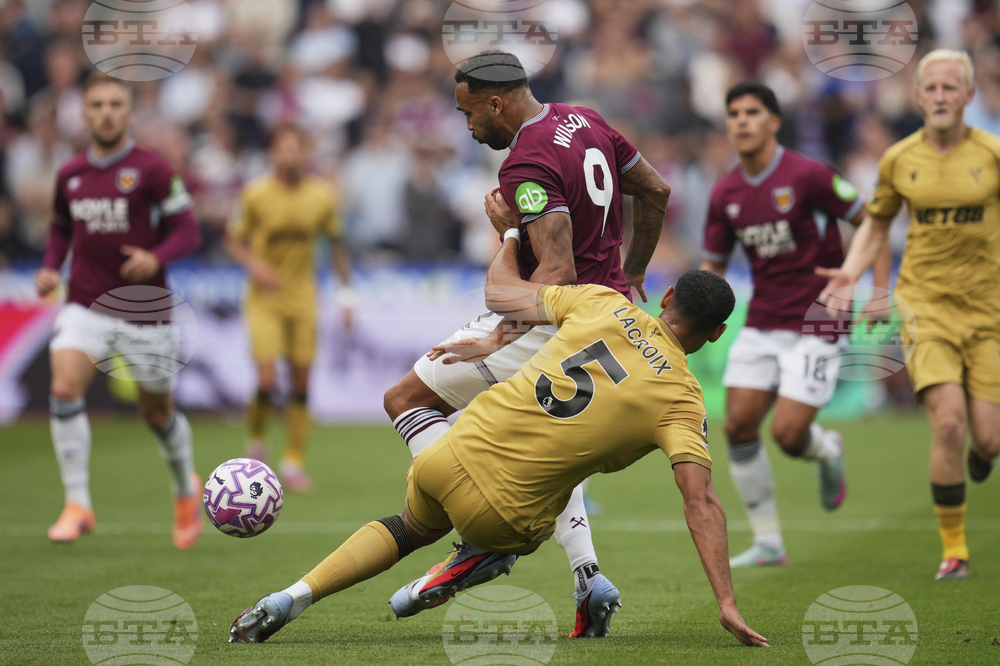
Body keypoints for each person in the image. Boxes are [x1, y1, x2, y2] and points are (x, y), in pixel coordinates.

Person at [228, 228, 769, 648]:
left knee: (411, 526)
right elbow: (700, 501)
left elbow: (504, 294)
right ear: (717, 333)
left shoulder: (602, 302)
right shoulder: (682, 398)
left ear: (666, 296)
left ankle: (290, 596)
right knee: (555, 480)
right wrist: (726, 601)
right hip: (503, 516)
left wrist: (509, 236)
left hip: (444, 456)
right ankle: (485, 555)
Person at [381, 49, 671, 637]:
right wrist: (634, 268)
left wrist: (499, 334)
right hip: (611, 318)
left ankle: (476, 532)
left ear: (495, 103)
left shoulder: (526, 163)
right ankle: (589, 578)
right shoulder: (585, 119)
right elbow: (657, 190)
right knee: (551, 452)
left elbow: (557, 271)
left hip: (560, 321)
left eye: (469, 114)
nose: (467, 127)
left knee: (405, 398)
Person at [818, 50, 1000, 580]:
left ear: (968, 95)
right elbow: (876, 225)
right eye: (932, 88)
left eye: (950, 87)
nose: (940, 96)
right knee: (948, 422)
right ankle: (955, 550)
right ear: (918, 97)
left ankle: (984, 454)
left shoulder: (992, 153)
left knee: (988, 438)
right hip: (926, 306)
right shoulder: (899, 158)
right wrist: (852, 272)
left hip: (987, 309)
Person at [699, 82, 880, 568]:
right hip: (763, 318)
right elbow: (714, 265)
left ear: (774, 121)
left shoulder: (809, 175)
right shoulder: (726, 192)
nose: (741, 120)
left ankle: (827, 449)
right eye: (734, 113)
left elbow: (872, 220)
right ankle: (768, 543)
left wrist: (867, 283)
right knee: (737, 425)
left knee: (788, 434)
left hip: (820, 317)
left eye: (752, 112)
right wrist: (694, 309)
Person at [35, 72, 203, 548]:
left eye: (114, 104)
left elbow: (189, 230)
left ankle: (184, 487)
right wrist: (50, 267)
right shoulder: (70, 174)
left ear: (129, 113)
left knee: (156, 413)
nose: (106, 113)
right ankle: (77, 504)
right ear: (84, 113)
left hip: (144, 309)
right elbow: (60, 228)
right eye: (97, 105)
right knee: (63, 388)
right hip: (85, 302)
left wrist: (156, 256)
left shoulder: (152, 169)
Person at [226, 125, 353, 493]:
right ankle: (256, 442)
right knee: (266, 380)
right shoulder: (255, 194)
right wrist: (256, 265)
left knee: (301, 382)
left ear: (305, 152)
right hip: (264, 301)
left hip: (303, 300)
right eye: (283, 149)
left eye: (296, 148)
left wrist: (346, 297)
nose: (290, 156)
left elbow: (337, 246)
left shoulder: (322, 196)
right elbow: (234, 241)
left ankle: (293, 461)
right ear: (273, 154)